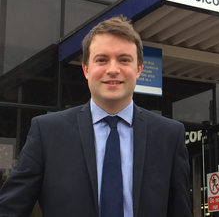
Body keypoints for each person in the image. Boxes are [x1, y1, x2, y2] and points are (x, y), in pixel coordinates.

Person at [0, 16, 192, 217]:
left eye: (124, 60)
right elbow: (10, 209)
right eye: (102, 60)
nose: (112, 69)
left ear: (138, 70)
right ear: (86, 69)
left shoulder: (169, 135)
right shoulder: (46, 132)